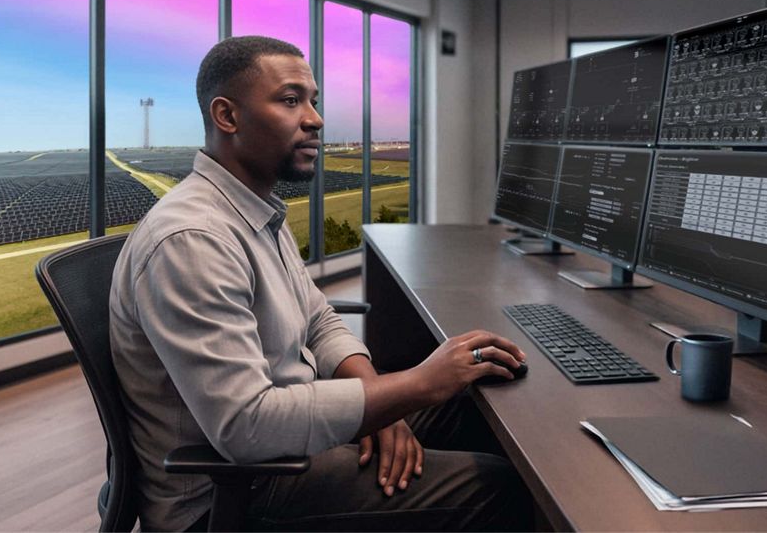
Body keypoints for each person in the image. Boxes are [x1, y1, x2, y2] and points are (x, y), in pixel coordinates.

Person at [109, 35, 532, 531]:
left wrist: (380, 398)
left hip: (288, 439)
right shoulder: (193, 240)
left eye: (313, 101)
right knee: (498, 488)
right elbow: (246, 427)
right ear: (227, 116)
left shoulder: (255, 210)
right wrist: (418, 384)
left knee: (475, 408)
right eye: (291, 101)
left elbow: (317, 319)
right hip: (236, 491)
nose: (315, 119)